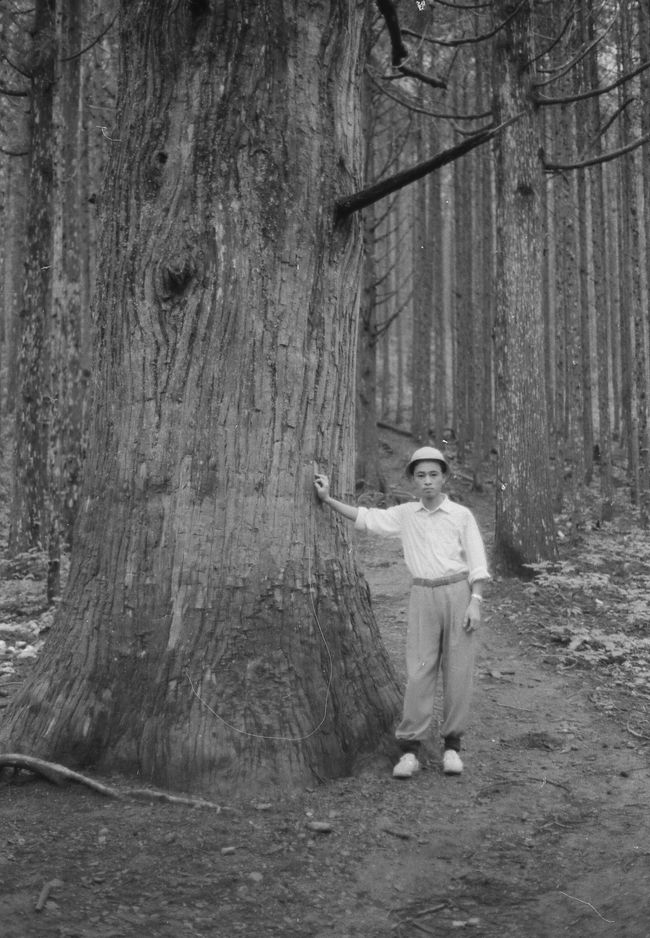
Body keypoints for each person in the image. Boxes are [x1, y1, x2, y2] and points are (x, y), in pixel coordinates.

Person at [314, 446, 489, 779]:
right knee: (420, 670)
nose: (427, 482)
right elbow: (367, 518)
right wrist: (327, 499)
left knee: (458, 670)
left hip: (458, 591)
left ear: (444, 477)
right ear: (412, 480)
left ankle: (453, 745)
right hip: (423, 594)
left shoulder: (461, 515)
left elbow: (477, 561)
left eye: (433, 475)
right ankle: (410, 750)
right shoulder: (407, 514)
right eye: (420, 476)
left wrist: (475, 602)